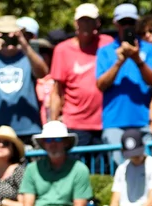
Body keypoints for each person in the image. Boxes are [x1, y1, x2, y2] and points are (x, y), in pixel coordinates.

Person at [96, 3, 152, 164]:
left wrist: (137, 59)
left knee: (148, 170)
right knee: (121, 172)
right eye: (123, 22)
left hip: (144, 121)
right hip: (114, 123)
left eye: (130, 22)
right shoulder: (105, 51)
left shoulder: (150, 49)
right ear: (116, 24)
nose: (127, 26)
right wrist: (119, 62)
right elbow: (100, 85)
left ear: (136, 23)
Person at [0, 16, 48, 144]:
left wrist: (24, 44)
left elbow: (43, 73)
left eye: (12, 35)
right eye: (4, 35)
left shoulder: (27, 56)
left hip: (29, 129)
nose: (8, 40)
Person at [50, 4, 112, 147]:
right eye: (82, 20)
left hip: (106, 121)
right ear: (75, 23)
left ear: (98, 23)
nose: (85, 25)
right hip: (75, 124)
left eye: (89, 20)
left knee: (102, 169)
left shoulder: (107, 43)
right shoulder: (62, 50)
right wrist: (53, 125)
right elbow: (57, 92)